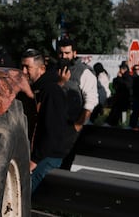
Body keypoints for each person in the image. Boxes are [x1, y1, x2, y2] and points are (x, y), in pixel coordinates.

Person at [20, 48, 78, 193]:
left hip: (48, 156)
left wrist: (34, 160)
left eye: (27, 67)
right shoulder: (38, 90)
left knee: (21, 194)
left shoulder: (50, 91)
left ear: (42, 69)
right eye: (22, 66)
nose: (24, 71)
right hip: (42, 153)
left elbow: (52, 130)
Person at [57, 37, 99, 170]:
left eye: (67, 53)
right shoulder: (54, 69)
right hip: (54, 123)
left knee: (62, 164)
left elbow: (91, 102)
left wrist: (78, 125)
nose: (64, 56)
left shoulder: (84, 72)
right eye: (61, 53)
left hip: (71, 125)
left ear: (75, 53)